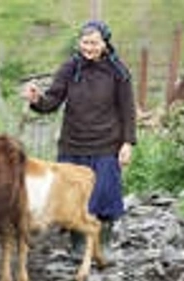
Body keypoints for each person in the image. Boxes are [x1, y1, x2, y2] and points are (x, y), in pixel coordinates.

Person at [21, 20, 136, 260]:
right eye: (85, 42)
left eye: (94, 43)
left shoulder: (119, 72)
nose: (89, 48)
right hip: (73, 144)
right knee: (71, 197)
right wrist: (36, 100)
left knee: (104, 194)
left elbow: (128, 110)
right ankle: (77, 246)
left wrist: (127, 143)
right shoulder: (69, 68)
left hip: (106, 144)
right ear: (79, 43)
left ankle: (102, 246)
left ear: (105, 43)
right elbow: (52, 101)